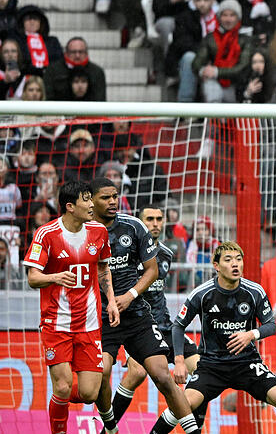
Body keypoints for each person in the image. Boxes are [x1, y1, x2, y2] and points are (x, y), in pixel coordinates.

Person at [151, 241, 276, 434]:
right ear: (216, 265)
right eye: (228, 260)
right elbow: (178, 325)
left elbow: (270, 324)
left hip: (247, 363)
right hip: (212, 366)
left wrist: (251, 334)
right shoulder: (202, 294)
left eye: (238, 259)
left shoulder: (254, 291)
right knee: (183, 404)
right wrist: (179, 360)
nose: (235, 264)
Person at [89, 178, 200, 434]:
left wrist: (129, 296)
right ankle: (110, 426)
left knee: (165, 376)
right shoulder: (85, 232)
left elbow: (151, 271)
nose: (113, 202)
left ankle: (194, 430)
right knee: (103, 374)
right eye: (106, 197)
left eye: (115, 196)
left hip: (139, 316)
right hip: (102, 318)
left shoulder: (135, 230)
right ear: (91, 201)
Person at [22, 180, 119, 434]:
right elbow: (33, 278)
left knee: (89, 393)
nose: (91, 204)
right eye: (86, 200)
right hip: (56, 323)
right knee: (63, 386)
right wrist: (55, 277)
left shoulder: (99, 231)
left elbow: (103, 267)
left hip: (89, 323)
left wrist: (111, 300)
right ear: (70, 207)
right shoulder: (46, 234)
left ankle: (60, 400)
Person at [192, 0, 252, 103]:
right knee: (210, 85)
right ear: (219, 17)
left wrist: (217, 72)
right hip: (214, 83)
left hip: (237, 85)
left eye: (232, 15)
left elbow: (242, 68)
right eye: (225, 15)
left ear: (238, 18)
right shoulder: (211, 38)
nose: (228, 19)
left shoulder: (246, 39)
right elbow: (197, 63)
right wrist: (204, 71)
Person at [43, 37, 106, 101]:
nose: (77, 55)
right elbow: (48, 97)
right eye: (73, 52)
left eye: (81, 52)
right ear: (66, 53)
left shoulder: (97, 72)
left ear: (86, 53)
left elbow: (100, 99)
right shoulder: (53, 70)